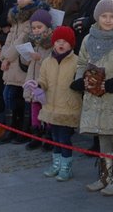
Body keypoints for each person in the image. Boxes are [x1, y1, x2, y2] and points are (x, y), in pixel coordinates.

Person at [73, 0, 113, 195]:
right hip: (94, 96)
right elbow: (82, 61)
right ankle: (104, 176)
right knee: (102, 138)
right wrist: (80, 78)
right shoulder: (89, 38)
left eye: (112, 17)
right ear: (97, 17)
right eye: (104, 16)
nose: (108, 20)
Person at [0, 0, 47, 145]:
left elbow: (21, 41)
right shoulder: (16, 16)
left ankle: (24, 131)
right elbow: (10, 37)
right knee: (9, 96)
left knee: (23, 98)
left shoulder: (31, 17)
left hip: (21, 62)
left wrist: (7, 58)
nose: (20, 0)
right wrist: (3, 56)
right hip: (10, 63)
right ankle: (12, 129)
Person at [34, 26, 82, 181]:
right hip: (51, 106)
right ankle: (56, 164)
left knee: (64, 139)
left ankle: (66, 166)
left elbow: (81, 81)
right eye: (58, 41)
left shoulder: (77, 62)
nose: (61, 44)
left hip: (67, 107)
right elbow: (43, 79)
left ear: (71, 44)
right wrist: (39, 86)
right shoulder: (47, 61)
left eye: (65, 42)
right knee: (54, 137)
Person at [21, 9, 54, 151]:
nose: (36, 30)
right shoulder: (33, 43)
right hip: (32, 81)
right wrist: (26, 55)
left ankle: (49, 136)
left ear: (47, 27)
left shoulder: (51, 44)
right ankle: (36, 135)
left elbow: (52, 63)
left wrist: (39, 59)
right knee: (34, 109)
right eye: (34, 28)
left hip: (44, 83)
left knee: (46, 110)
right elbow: (25, 62)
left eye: (39, 27)